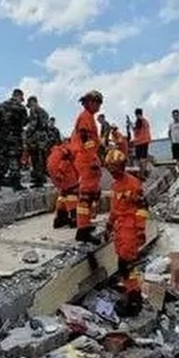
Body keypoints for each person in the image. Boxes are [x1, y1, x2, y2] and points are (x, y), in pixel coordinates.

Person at [104, 138, 148, 317]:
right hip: (121, 230)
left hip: (130, 230)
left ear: (121, 166)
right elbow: (115, 209)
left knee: (128, 266)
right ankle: (132, 293)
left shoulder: (133, 184)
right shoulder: (115, 185)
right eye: (109, 168)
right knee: (124, 266)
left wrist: (140, 230)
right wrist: (108, 225)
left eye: (113, 168)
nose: (111, 172)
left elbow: (142, 209)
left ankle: (134, 301)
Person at [71, 90, 104, 244]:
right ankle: (82, 230)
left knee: (90, 193)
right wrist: (92, 157)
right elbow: (85, 139)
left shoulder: (88, 117)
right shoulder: (85, 117)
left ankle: (86, 224)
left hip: (88, 157)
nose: (99, 106)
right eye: (98, 102)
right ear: (91, 102)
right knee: (86, 195)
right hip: (86, 159)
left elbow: (89, 141)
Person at [0, 88, 28, 191]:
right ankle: (16, 184)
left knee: (2, 159)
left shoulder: (1, 105)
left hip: (2, 137)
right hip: (15, 137)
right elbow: (24, 123)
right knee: (14, 159)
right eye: (21, 98)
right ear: (18, 96)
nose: (21, 100)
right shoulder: (21, 108)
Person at [25, 95, 51, 188]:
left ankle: (38, 180)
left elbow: (33, 124)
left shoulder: (34, 109)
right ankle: (42, 177)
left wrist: (27, 134)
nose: (29, 106)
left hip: (36, 138)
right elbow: (46, 126)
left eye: (29, 104)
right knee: (42, 158)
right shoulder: (44, 112)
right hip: (43, 138)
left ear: (32, 101)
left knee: (35, 158)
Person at [131, 108, 152, 179]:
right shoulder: (144, 121)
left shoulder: (140, 121)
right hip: (143, 141)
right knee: (143, 158)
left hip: (139, 142)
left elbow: (136, 131)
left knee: (141, 159)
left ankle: (141, 173)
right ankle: (142, 173)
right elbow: (136, 131)